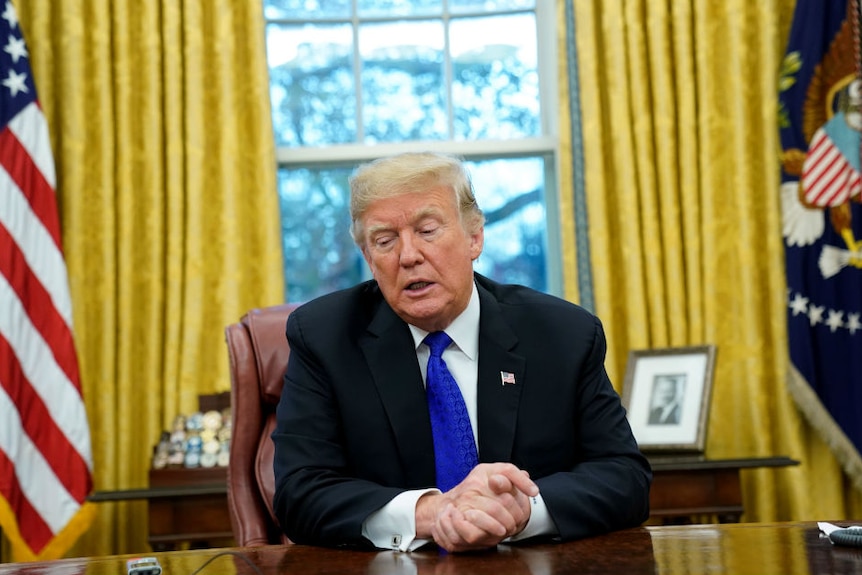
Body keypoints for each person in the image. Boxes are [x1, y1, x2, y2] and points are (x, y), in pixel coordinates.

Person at [271, 151, 652, 553]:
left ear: (475, 237)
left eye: (428, 230)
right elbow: (300, 493)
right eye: (384, 241)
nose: (408, 255)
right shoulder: (325, 338)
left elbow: (624, 477)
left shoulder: (562, 335)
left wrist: (523, 510)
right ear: (368, 257)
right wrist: (434, 512)